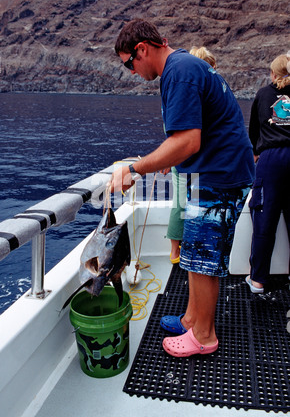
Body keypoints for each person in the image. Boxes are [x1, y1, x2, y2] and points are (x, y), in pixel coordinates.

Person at [109, 19, 255, 357]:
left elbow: (188, 140)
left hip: (221, 175)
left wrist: (134, 169)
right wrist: (166, 158)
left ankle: (203, 336)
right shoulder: (185, 65)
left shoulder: (179, 72)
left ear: (142, 49)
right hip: (214, 171)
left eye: (129, 63)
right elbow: (190, 136)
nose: (132, 72)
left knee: (203, 257)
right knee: (193, 252)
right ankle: (192, 319)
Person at [166, 46, 218, 264]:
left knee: (184, 204)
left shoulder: (187, 90)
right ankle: (178, 251)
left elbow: (175, 128)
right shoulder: (205, 92)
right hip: (195, 162)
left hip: (192, 162)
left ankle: (179, 250)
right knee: (186, 204)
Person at [246, 52, 290, 293]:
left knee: (264, 220)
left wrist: (256, 155)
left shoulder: (264, 94)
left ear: (273, 74)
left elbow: (254, 132)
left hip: (271, 159)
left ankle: (258, 280)